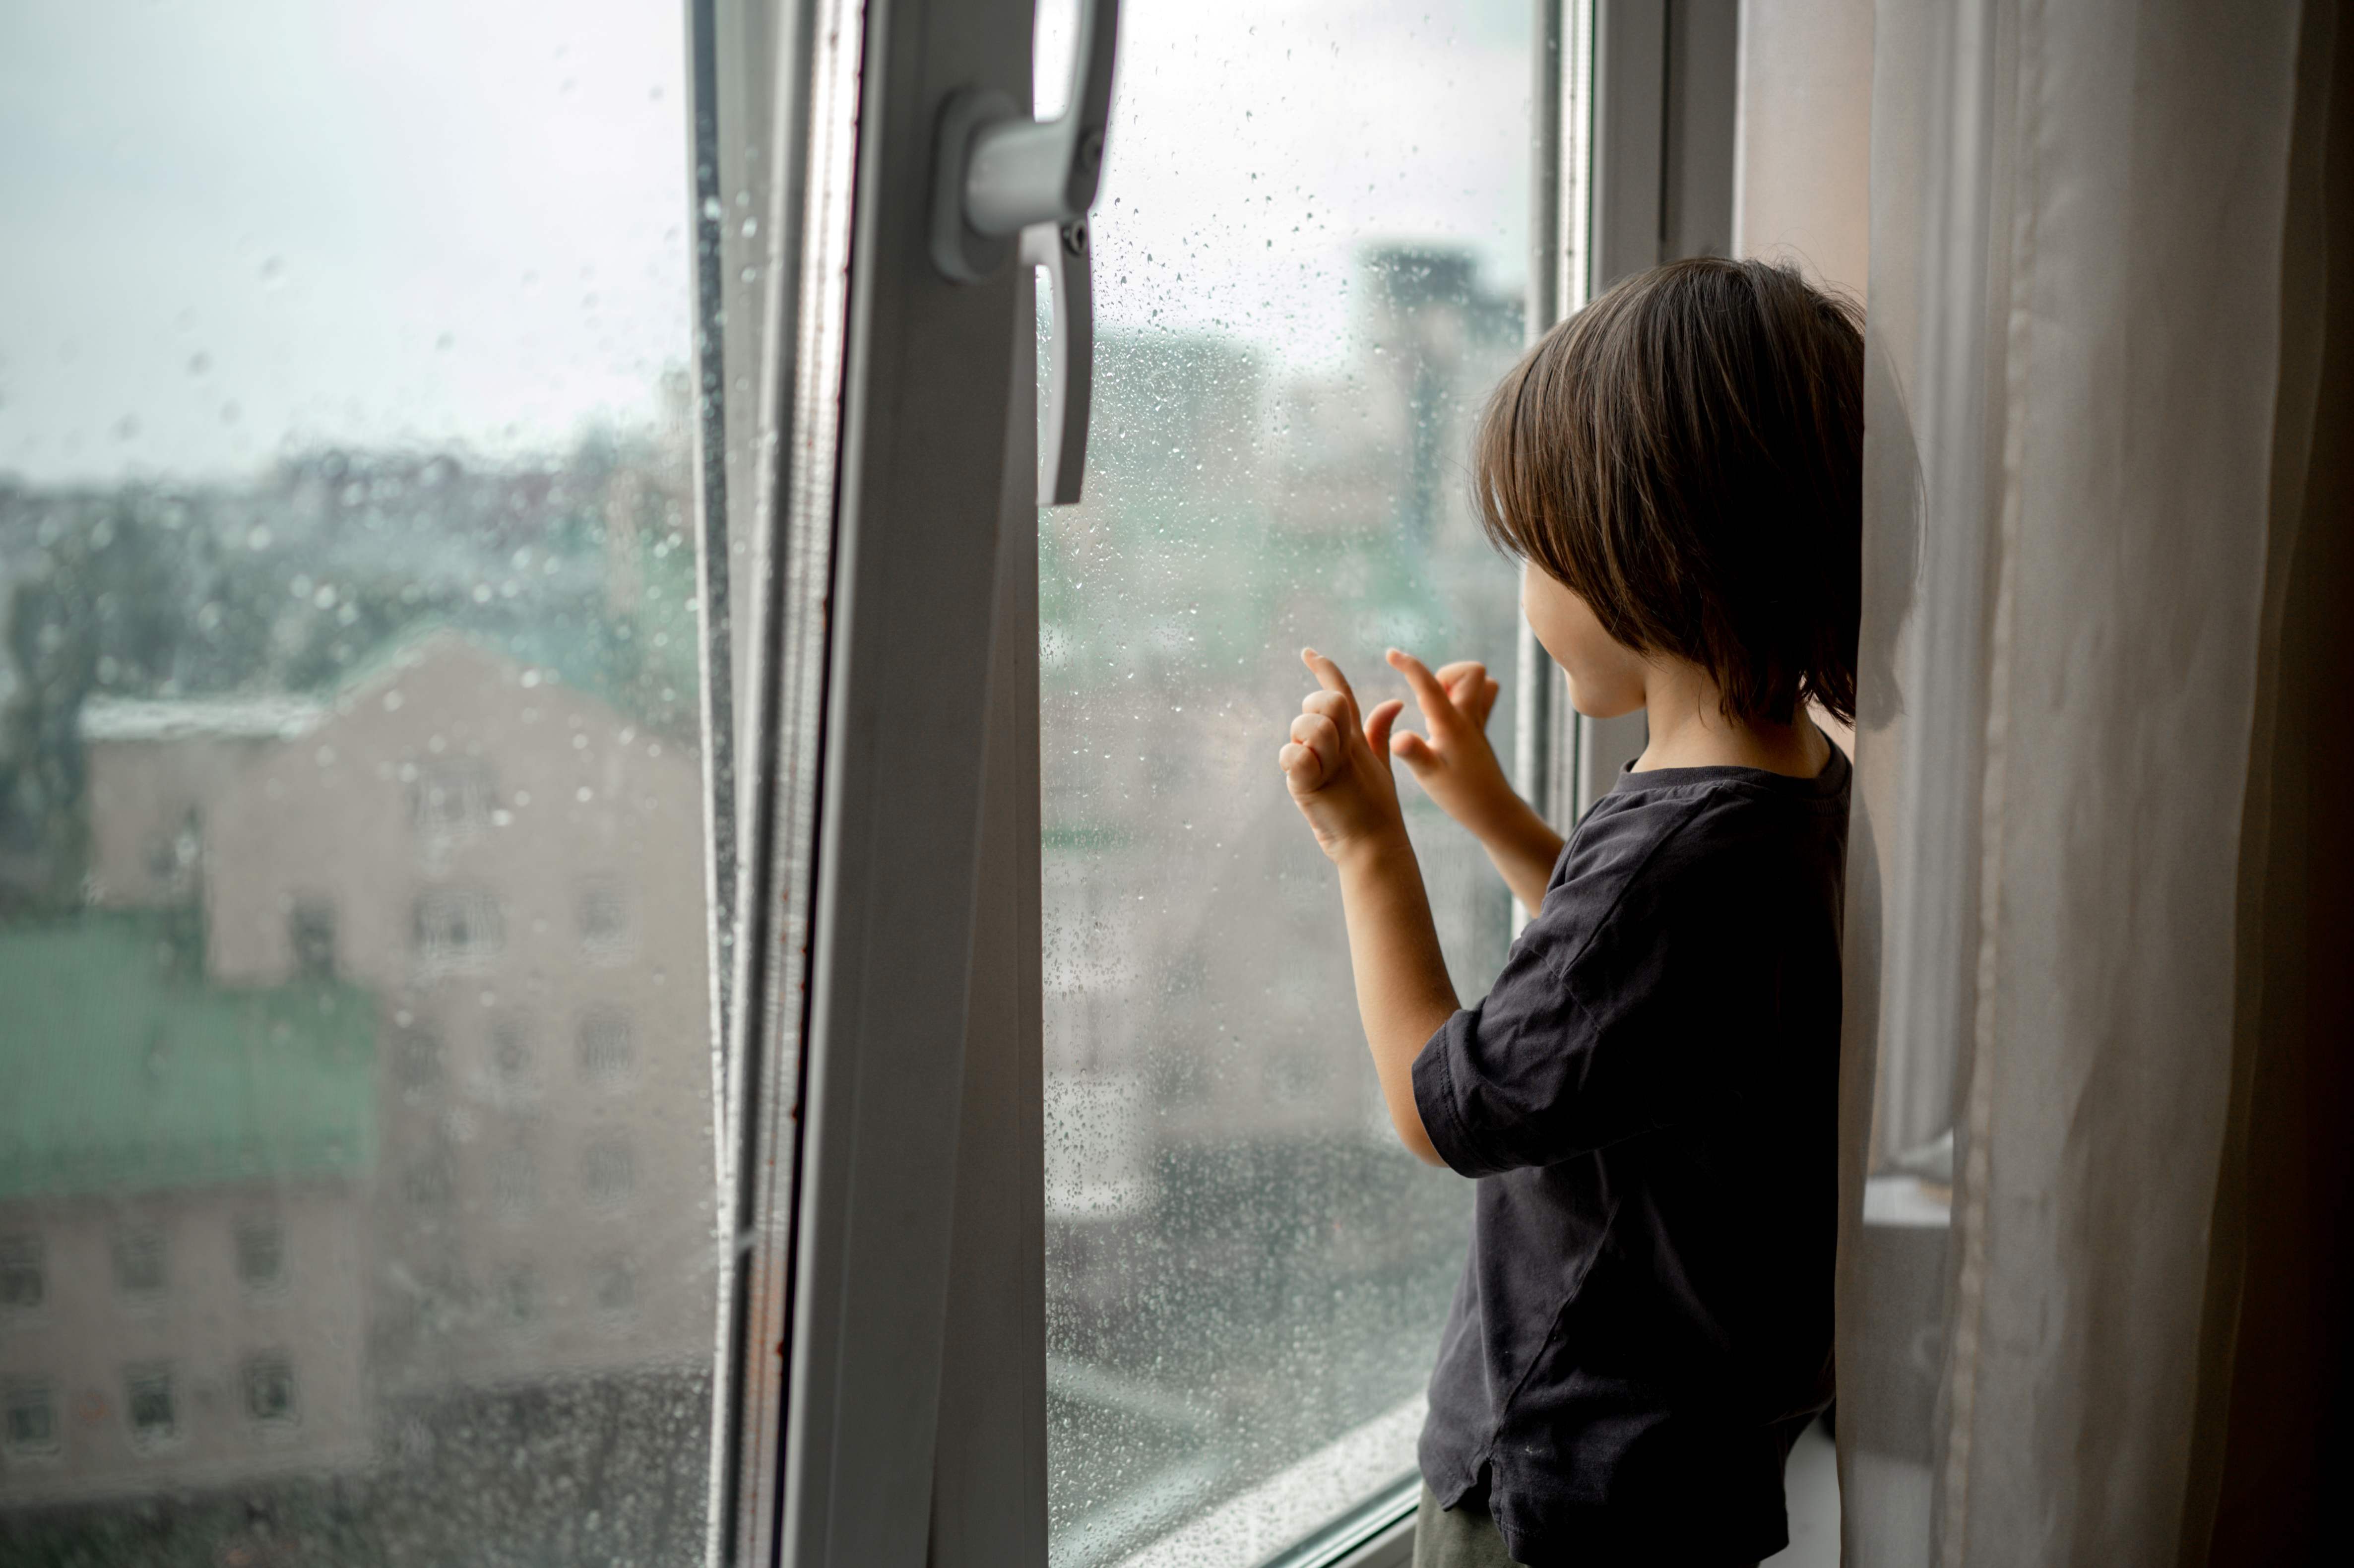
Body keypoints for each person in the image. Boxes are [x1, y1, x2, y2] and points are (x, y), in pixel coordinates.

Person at [1274, 257, 1861, 1568]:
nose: (1528, 591)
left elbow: (1448, 1106)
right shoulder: (1791, 789)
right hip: (1694, 1443)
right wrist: (1488, 812)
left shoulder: (1675, 857)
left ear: (1638, 554)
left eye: (1536, 550)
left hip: (1564, 1474)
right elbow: (1642, 1008)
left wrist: (1369, 846)